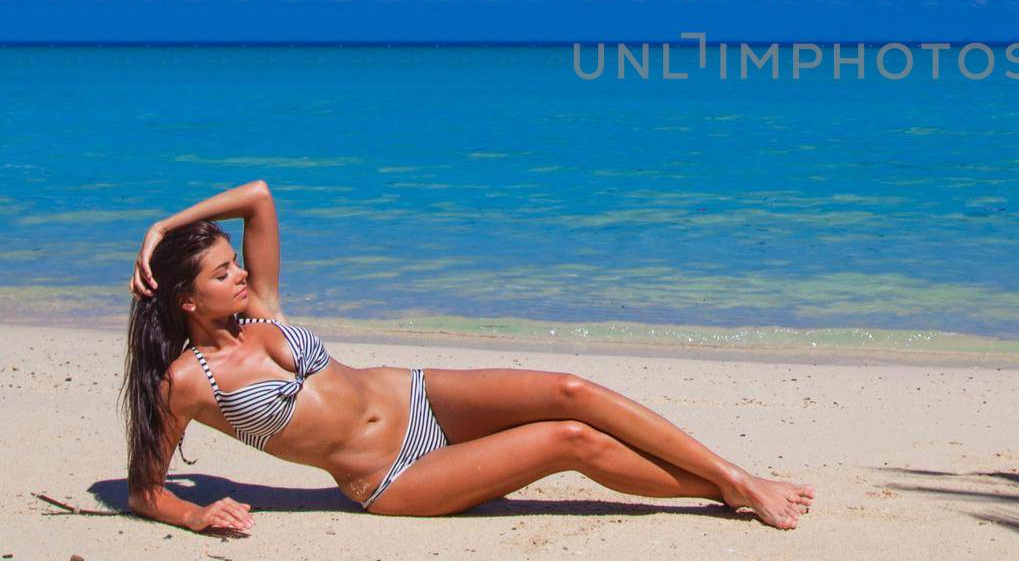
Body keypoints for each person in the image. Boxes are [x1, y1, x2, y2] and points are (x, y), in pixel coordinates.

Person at [122, 180, 815, 534]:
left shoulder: (260, 310)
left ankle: (738, 476)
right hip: (393, 477)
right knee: (566, 440)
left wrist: (162, 227)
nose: (240, 275)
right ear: (186, 302)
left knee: (570, 388)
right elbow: (145, 491)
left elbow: (260, 195)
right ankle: (719, 492)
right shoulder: (185, 384)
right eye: (221, 273)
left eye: (234, 262)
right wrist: (195, 515)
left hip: (417, 396)